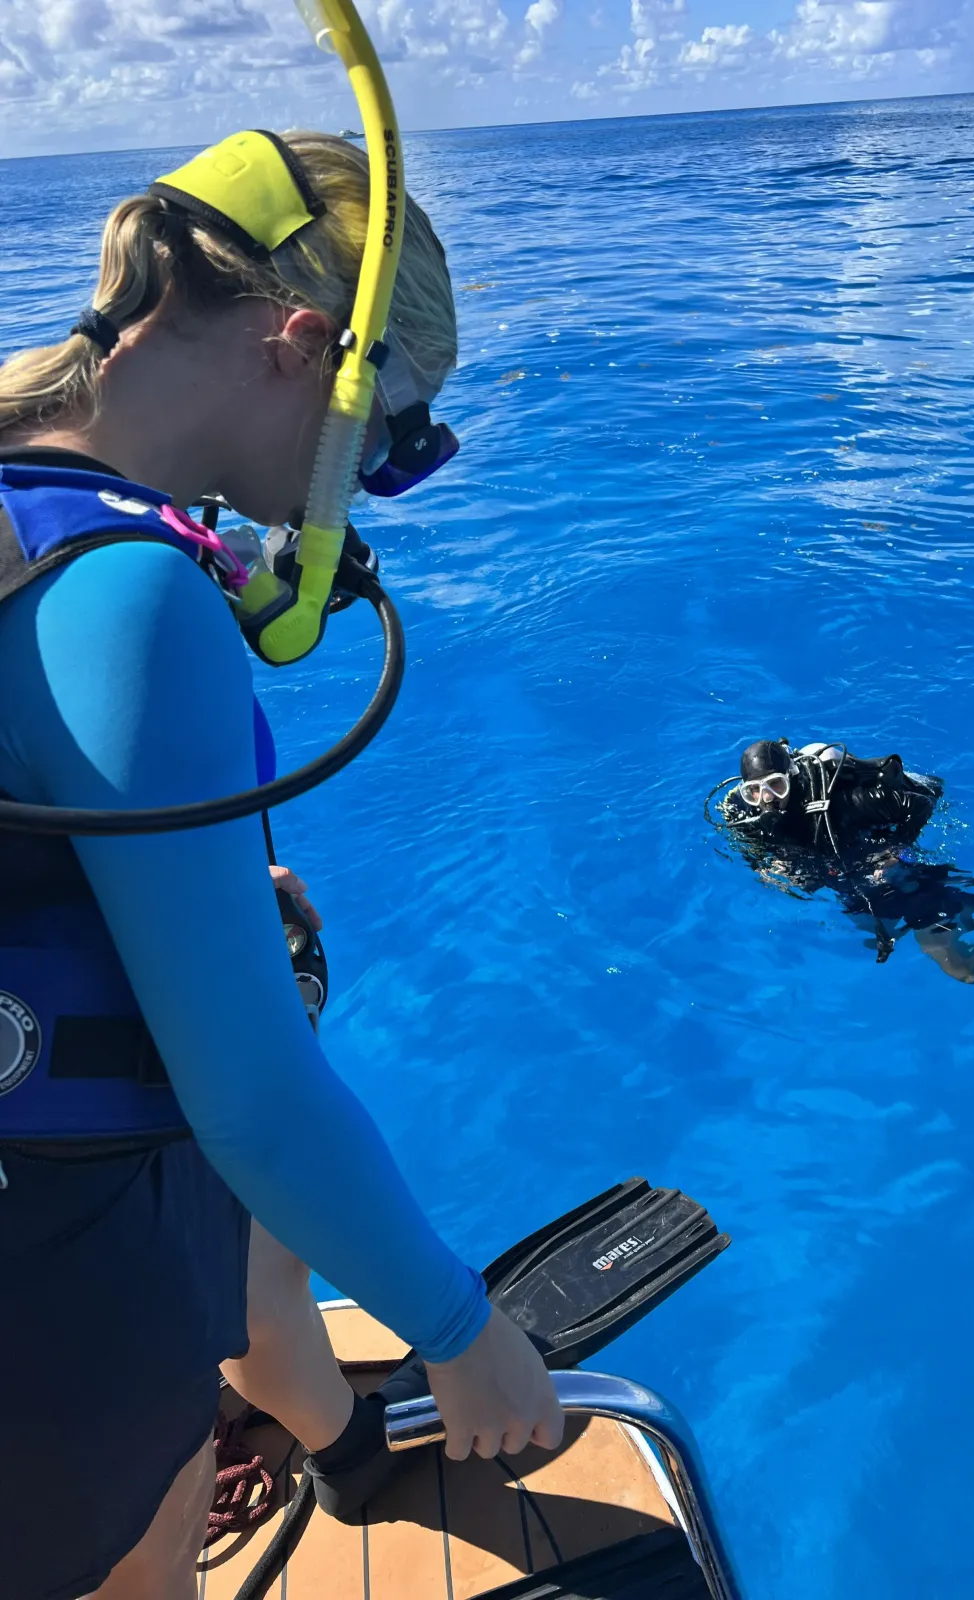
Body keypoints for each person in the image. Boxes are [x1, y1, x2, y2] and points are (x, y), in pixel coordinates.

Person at [0, 128, 561, 1600]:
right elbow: (251, 1100)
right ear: (302, 344)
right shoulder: (130, 596)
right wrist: (464, 1333)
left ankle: (325, 1423)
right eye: (394, 436)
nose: (377, 485)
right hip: (62, 1281)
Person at [716, 738, 974, 1043]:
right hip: (856, 890)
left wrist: (895, 849)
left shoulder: (843, 804)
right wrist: (765, 866)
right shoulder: (753, 816)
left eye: (777, 786)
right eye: (756, 792)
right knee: (879, 943)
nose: (767, 800)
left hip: (903, 881)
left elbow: (919, 801)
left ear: (793, 779)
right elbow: (744, 840)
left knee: (958, 968)